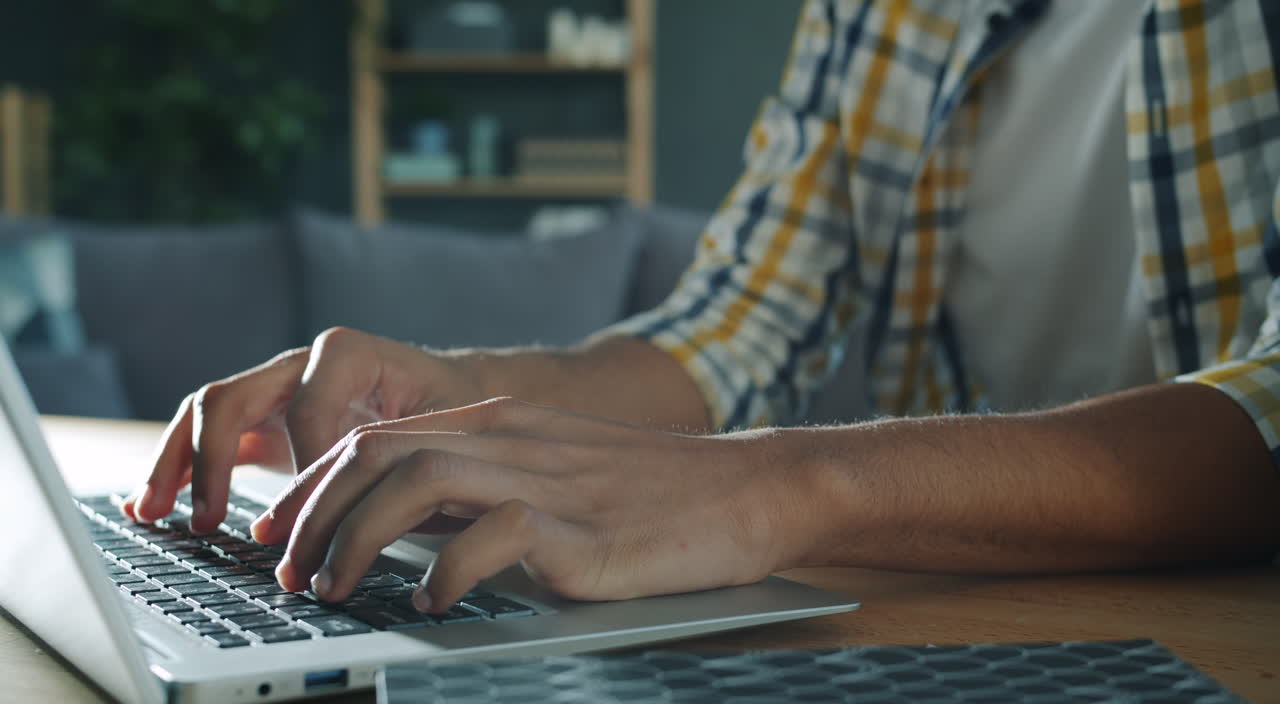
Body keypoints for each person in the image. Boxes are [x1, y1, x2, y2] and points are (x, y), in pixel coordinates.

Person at [124, 0, 1280, 616]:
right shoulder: (878, 13)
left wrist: (785, 485)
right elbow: (740, 322)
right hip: (961, 609)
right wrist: (459, 390)